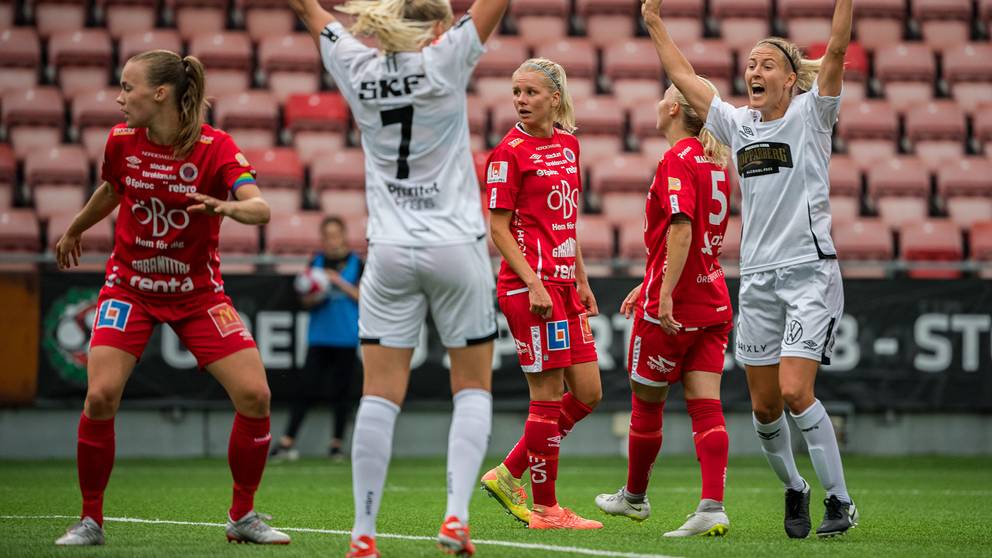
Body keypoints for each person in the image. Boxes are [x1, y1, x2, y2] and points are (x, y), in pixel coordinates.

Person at [288, 0, 509, 555]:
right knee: (472, 388)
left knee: (379, 397)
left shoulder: (356, 65)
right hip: (455, 246)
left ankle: (363, 534)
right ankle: (456, 519)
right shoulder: (445, 59)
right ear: (436, 27)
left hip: (388, 250)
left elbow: (310, 12)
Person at [640, 0, 858, 539]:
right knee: (763, 407)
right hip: (757, 278)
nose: (754, 71)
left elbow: (835, 50)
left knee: (794, 391)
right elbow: (683, 78)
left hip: (808, 272)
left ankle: (839, 500)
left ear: (790, 78)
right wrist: (654, 23)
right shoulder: (739, 124)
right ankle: (795, 487)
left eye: (766, 65)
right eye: (751, 64)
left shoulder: (813, 114)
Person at [53, 50, 289, 546]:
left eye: (127, 87)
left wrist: (226, 206)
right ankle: (90, 520)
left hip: (199, 295)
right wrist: (75, 227)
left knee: (256, 395)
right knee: (100, 396)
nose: (120, 98)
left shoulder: (216, 147)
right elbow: (112, 189)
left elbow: (261, 209)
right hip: (130, 288)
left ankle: (242, 516)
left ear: (160, 93)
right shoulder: (121, 140)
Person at [593, 79, 734, 537]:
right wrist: (651, 278)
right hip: (712, 300)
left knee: (646, 404)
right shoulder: (715, 162)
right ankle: (712, 506)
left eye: (664, 97)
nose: (657, 103)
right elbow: (693, 240)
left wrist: (664, 291)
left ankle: (634, 498)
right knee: (706, 406)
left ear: (674, 109)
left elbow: (681, 229)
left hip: (672, 307)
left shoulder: (677, 159)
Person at [480, 58, 603, 531]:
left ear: (555, 98)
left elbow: (566, 222)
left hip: (564, 285)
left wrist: (581, 279)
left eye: (530, 92)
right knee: (547, 397)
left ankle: (507, 472)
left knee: (588, 392)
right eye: (516, 92)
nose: (521, 100)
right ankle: (547, 510)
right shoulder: (507, 153)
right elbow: (498, 228)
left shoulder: (569, 144)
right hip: (529, 288)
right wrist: (533, 281)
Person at [270, 216, 363, 462]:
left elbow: (364, 297)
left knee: (342, 392)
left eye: (336, 235)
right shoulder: (316, 262)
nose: (332, 240)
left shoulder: (357, 263)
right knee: (306, 388)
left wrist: (337, 281)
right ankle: (287, 441)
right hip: (319, 335)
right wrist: (314, 295)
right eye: (327, 236)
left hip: (346, 336)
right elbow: (305, 301)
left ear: (344, 236)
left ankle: (336, 445)